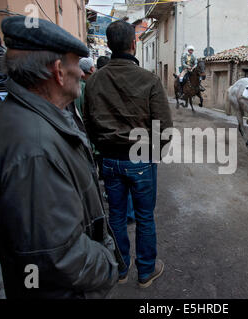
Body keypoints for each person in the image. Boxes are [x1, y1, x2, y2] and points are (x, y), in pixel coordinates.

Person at [0, 16, 125, 299]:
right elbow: (60, 256)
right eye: (75, 65)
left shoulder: (24, 116)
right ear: (58, 71)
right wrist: (109, 262)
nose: (82, 75)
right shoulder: (33, 149)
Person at [83, 20, 173, 288]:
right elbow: (164, 127)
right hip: (141, 159)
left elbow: (88, 122)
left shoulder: (94, 80)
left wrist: (104, 147)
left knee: (117, 216)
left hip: (109, 161)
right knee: (145, 217)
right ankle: (145, 272)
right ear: (134, 44)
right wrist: (152, 152)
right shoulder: (149, 79)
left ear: (109, 45)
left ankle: (121, 269)